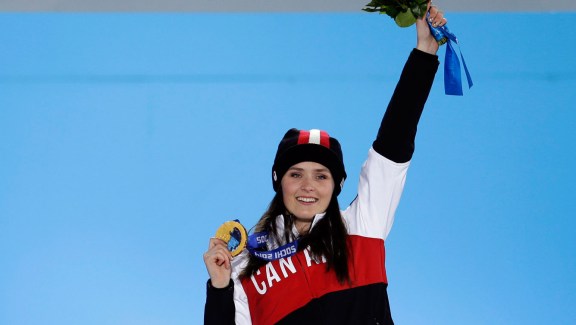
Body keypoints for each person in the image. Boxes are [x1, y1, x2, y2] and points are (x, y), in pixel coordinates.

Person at [203, 3, 447, 324]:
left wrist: (425, 51)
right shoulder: (245, 264)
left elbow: (394, 142)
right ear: (278, 180)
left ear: (337, 185)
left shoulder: (363, 226)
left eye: (321, 176)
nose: (308, 186)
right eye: (296, 174)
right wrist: (219, 288)